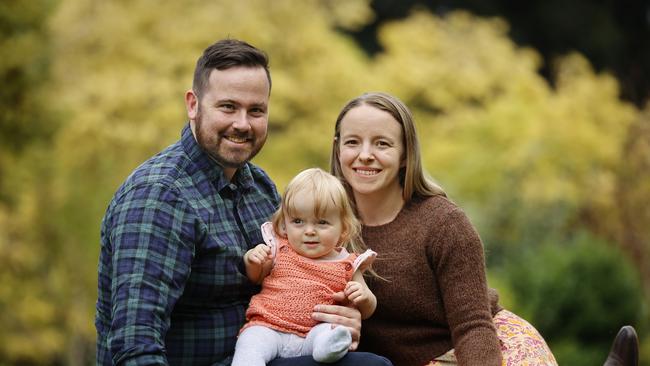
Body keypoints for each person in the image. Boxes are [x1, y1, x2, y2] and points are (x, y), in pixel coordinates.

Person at [95, 39, 391, 366]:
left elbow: (292, 277)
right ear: (193, 105)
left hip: (266, 349)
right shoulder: (159, 196)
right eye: (228, 107)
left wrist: (339, 317)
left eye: (256, 110)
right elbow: (135, 344)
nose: (242, 124)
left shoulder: (258, 186)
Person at [329, 92, 559, 366]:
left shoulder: (443, 223)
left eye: (382, 144)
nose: (365, 155)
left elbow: (472, 325)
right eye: (353, 142)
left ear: (405, 154)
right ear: (338, 148)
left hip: (483, 348)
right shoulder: (322, 223)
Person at [232, 168, 378, 365]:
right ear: (284, 225)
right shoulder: (279, 249)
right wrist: (253, 260)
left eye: (322, 222)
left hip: (314, 332)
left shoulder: (347, 264)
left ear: (343, 229)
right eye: (298, 221)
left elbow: (368, 308)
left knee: (329, 333)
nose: (309, 231)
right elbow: (256, 277)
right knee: (250, 343)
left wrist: (363, 297)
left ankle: (329, 347)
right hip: (268, 327)